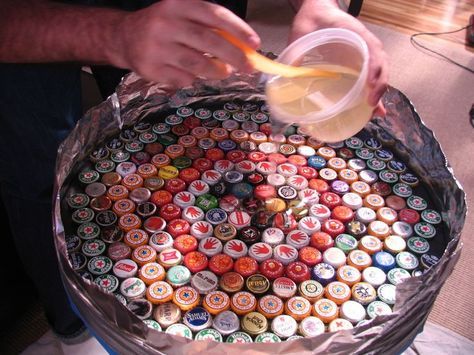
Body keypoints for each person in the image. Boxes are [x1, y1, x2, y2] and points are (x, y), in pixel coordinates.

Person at [0, 0, 388, 352]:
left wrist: (317, 6)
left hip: (193, 15)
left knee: (208, 130)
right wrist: (112, 34)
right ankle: (76, 329)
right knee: (44, 175)